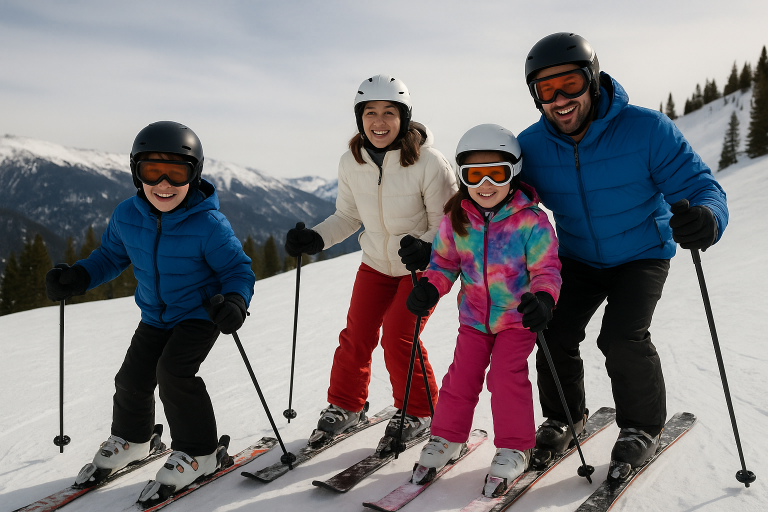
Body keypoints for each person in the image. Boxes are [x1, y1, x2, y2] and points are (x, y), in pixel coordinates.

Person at [517, 32, 728, 477]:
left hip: (641, 253)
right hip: (576, 256)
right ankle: (565, 416)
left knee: (620, 336)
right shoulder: (531, 147)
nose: (560, 100)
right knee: (550, 329)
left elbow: (701, 186)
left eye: (570, 84)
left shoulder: (646, 129)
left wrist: (708, 217)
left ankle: (640, 429)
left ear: (592, 81)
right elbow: (495, 201)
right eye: (545, 90)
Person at [45, 121, 256, 498]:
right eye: (151, 171)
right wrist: (78, 276)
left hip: (200, 314)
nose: (163, 183)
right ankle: (133, 439)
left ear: (195, 174)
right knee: (131, 378)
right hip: (155, 315)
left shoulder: (209, 224)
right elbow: (111, 256)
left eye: (177, 172)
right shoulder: (127, 215)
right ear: (135, 172)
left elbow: (237, 269)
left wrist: (237, 301)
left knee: (174, 373)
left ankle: (199, 452)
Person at [284, 74, 457, 447]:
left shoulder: (430, 162)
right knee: (356, 334)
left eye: (389, 113)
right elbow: (348, 216)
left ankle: (420, 410)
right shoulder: (352, 161)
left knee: (399, 335)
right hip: (376, 264)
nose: (379, 121)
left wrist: (427, 246)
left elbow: (448, 222)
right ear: (360, 118)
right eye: (370, 112)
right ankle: (346, 405)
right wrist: (316, 238)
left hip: (421, 267)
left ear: (404, 117)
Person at [404, 124, 561, 493]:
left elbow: (547, 269)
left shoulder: (531, 220)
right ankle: (447, 438)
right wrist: (430, 288)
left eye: (498, 173)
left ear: (514, 173)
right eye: (475, 175)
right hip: (474, 319)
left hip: (518, 321)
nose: (486, 183)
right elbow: (444, 263)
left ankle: (514, 448)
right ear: (463, 177)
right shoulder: (457, 218)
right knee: (460, 378)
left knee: (505, 378)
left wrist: (543, 299)